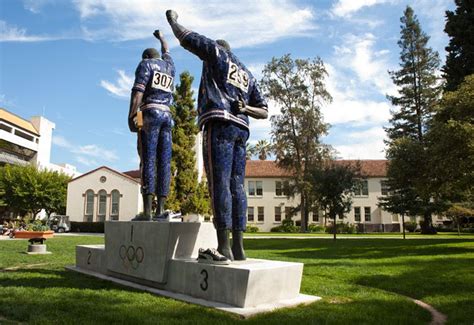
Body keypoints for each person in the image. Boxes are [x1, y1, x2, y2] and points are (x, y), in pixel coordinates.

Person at [166, 10, 268, 262]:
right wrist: (245, 109)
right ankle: (239, 248)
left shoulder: (216, 54)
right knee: (237, 185)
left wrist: (172, 20)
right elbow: (264, 111)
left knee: (219, 182)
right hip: (241, 129)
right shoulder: (246, 74)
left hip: (220, 123)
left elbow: (186, 37)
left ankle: (223, 247)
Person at [128, 30, 175, 221]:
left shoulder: (145, 64)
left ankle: (147, 211)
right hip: (167, 115)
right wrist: (162, 37)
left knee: (148, 158)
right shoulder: (170, 66)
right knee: (164, 161)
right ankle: (161, 209)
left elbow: (138, 92)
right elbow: (167, 50)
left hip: (150, 113)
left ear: (146, 57)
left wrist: (132, 115)